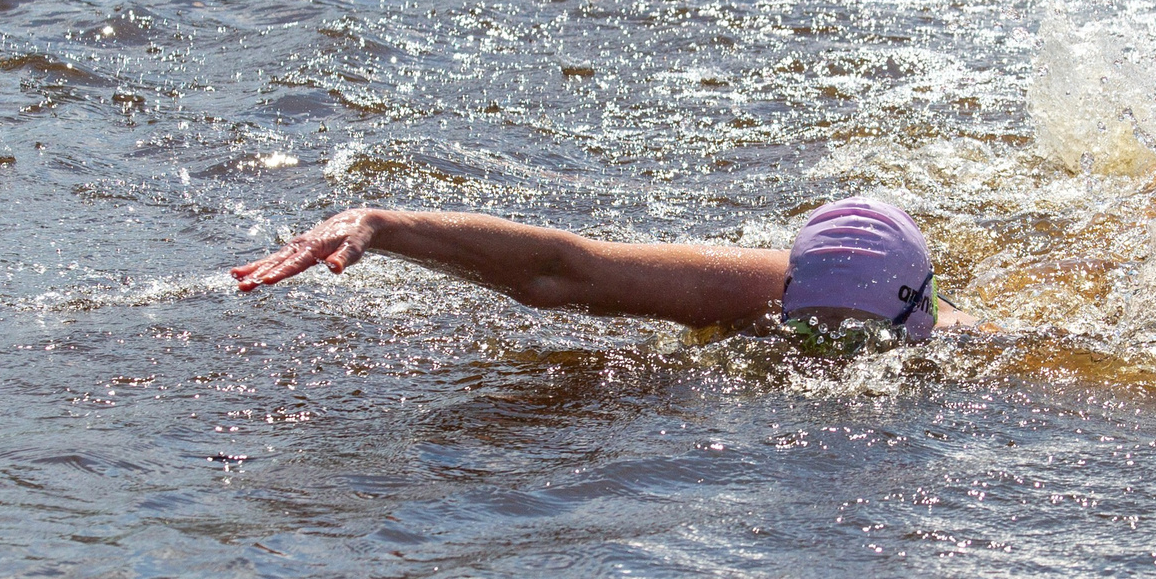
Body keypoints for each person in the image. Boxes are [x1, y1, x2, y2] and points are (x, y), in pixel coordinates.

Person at [229, 196, 978, 352]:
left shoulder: (967, 351)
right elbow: (563, 268)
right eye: (812, 335)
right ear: (784, 298)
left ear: (916, 326)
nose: (830, 360)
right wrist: (386, 225)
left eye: (861, 346)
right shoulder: (744, 295)